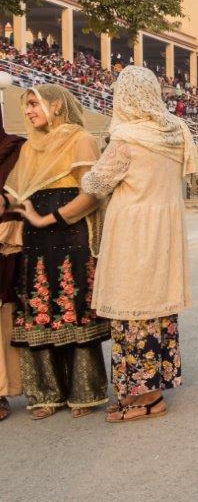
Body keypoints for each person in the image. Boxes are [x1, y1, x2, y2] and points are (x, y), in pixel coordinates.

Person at [80, 66, 198, 422]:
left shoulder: (126, 138)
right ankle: (149, 390)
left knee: (131, 307)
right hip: (164, 230)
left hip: (133, 231)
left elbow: (96, 184)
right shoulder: (176, 130)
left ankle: (145, 398)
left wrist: (84, 170)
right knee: (156, 307)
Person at [2, 85, 107, 419]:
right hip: (35, 240)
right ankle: (46, 394)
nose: (28, 111)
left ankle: (83, 393)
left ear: (57, 105)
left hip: (70, 235)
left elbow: (92, 194)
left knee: (70, 306)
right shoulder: (30, 146)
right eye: (27, 105)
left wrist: (49, 218)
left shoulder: (80, 139)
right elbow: (16, 194)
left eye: (34, 104)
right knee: (39, 309)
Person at [0, 110, 25, 421]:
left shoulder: (15, 149)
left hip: (5, 239)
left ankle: (1, 390)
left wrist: (7, 201)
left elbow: (26, 192)